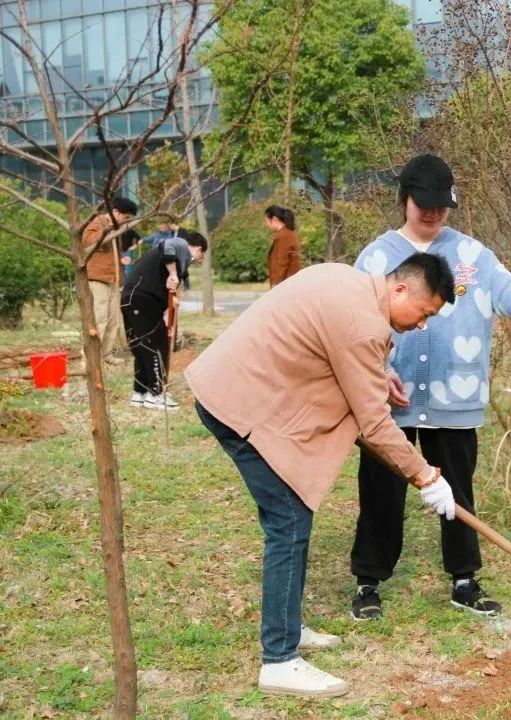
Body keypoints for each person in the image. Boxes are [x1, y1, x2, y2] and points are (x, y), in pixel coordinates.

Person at [185, 254, 458, 698]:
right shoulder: (363, 325)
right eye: (424, 313)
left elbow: (332, 348)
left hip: (238, 386)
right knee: (289, 521)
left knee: (290, 517)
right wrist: (426, 477)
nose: (421, 324)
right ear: (401, 290)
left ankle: (286, 625)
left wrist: (378, 372)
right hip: (237, 403)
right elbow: (373, 422)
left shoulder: (344, 279)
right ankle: (280, 659)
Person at [348, 154, 511, 621]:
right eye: (423, 205)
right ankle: (368, 580)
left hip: (457, 398)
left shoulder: (472, 255)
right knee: (380, 491)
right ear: (404, 200)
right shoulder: (376, 257)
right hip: (389, 400)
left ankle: (464, 578)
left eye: (441, 206)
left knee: (457, 491)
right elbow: (351, 320)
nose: (432, 214)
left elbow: (509, 290)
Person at [121, 229, 207, 410]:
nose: (199, 260)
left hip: (133, 298)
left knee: (142, 346)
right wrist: (174, 274)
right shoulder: (180, 245)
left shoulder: (177, 260)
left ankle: (140, 393)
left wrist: (171, 301)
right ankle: (156, 394)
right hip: (143, 298)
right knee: (156, 344)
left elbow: (170, 283)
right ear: (198, 249)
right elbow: (168, 246)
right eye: (201, 256)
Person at [82, 197, 137, 365]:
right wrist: (108, 229)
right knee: (99, 320)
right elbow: (87, 243)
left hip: (112, 279)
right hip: (97, 278)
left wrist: (121, 260)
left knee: (114, 320)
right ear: (115, 212)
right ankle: (89, 359)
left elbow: (108, 252)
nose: (126, 222)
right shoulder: (97, 223)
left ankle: (106, 354)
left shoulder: (116, 229)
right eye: (126, 217)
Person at [265, 205, 303, 287]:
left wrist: (276, 285)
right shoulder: (289, 234)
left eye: (267, 221)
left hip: (286, 285)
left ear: (274, 219)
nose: (267, 224)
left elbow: (282, 263)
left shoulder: (284, 236)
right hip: (290, 283)